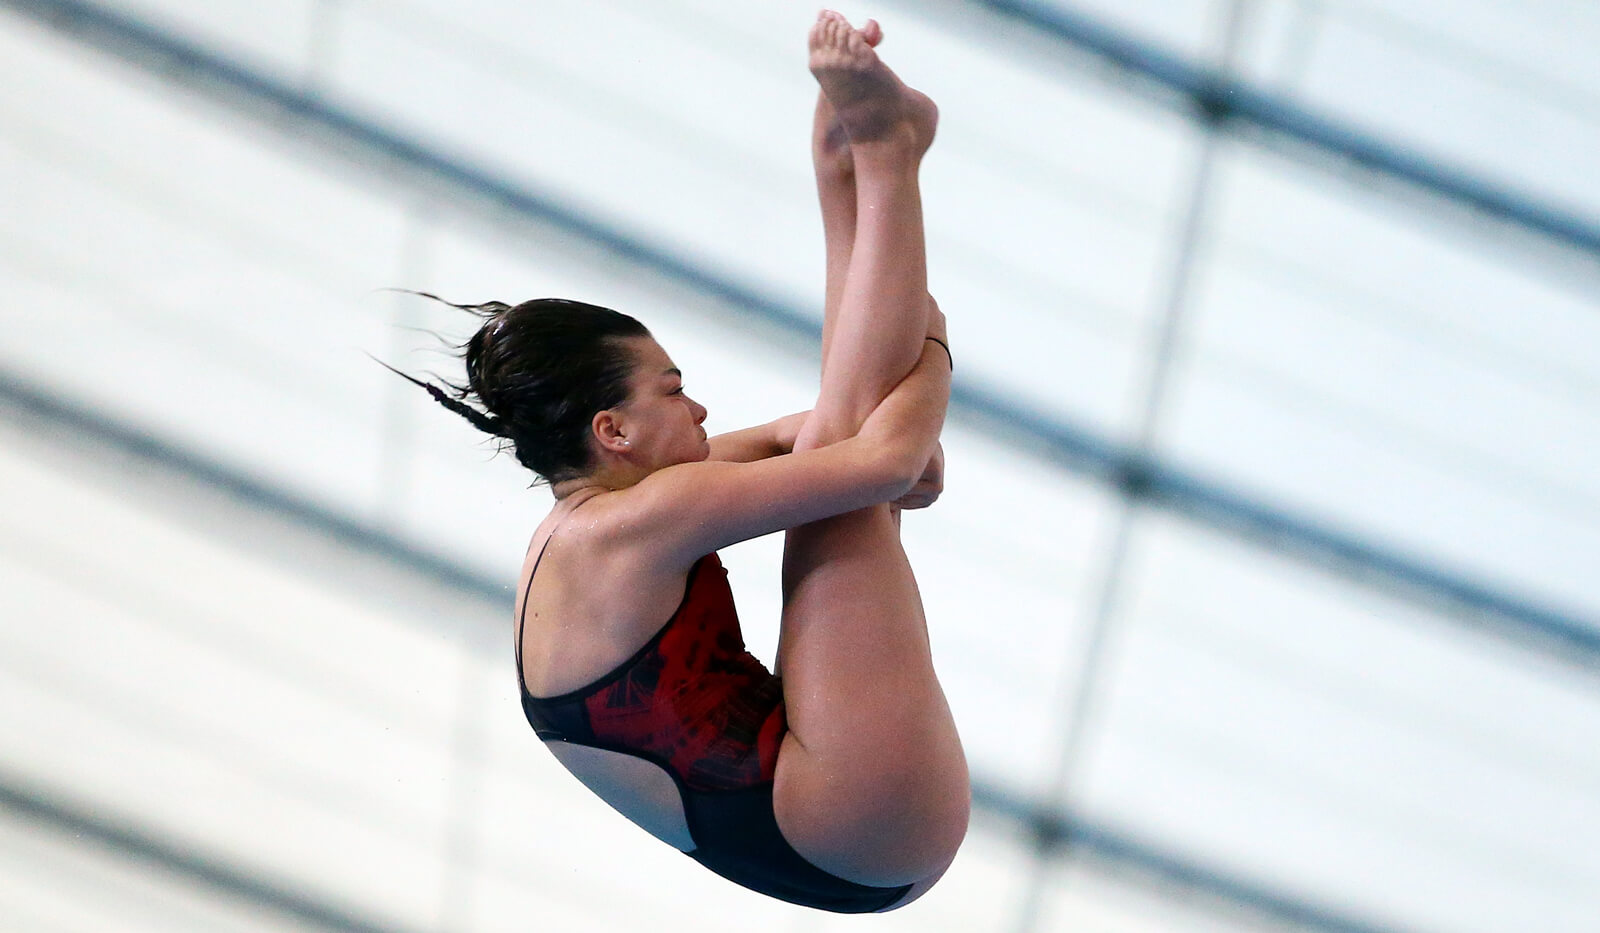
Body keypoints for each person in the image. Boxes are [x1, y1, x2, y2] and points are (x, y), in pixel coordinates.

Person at [399, 12, 967, 912]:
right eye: (672, 389)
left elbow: (848, 439)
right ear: (612, 430)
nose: (699, 408)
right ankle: (884, 159)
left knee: (836, 458)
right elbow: (888, 456)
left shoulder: (609, 519)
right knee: (842, 469)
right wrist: (933, 345)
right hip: (852, 814)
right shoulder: (626, 528)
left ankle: (857, 164)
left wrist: (885, 448)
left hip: (843, 836)